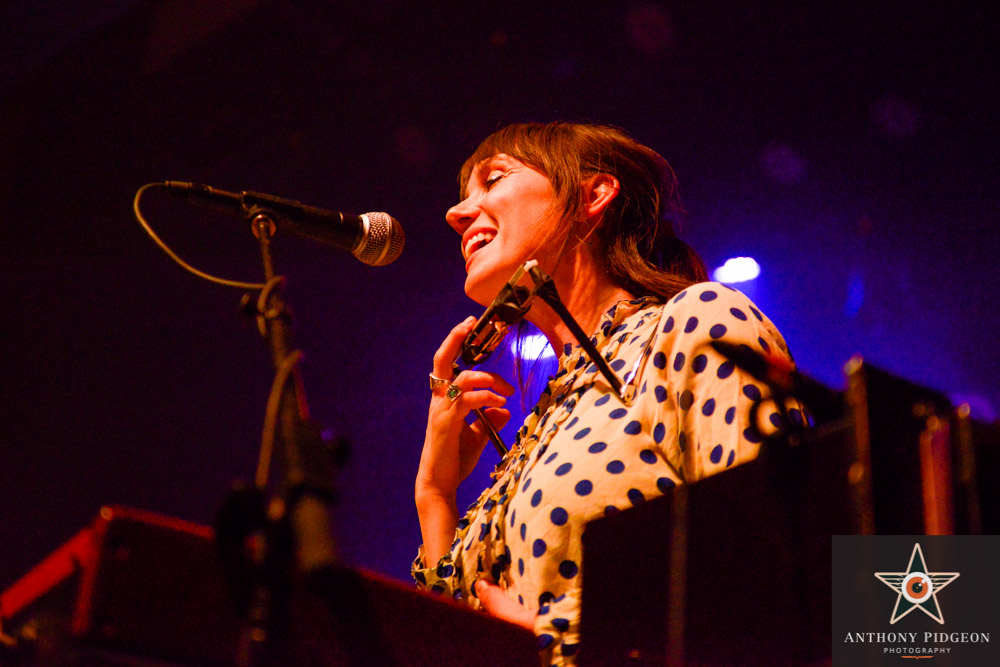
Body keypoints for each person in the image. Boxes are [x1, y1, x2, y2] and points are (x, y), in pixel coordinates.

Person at [412, 122, 799, 666]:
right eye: (463, 197)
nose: (457, 214)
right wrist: (434, 496)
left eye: (493, 179)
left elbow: (779, 568)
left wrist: (563, 638)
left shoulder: (694, 322)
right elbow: (448, 644)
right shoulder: (545, 418)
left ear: (593, 195)